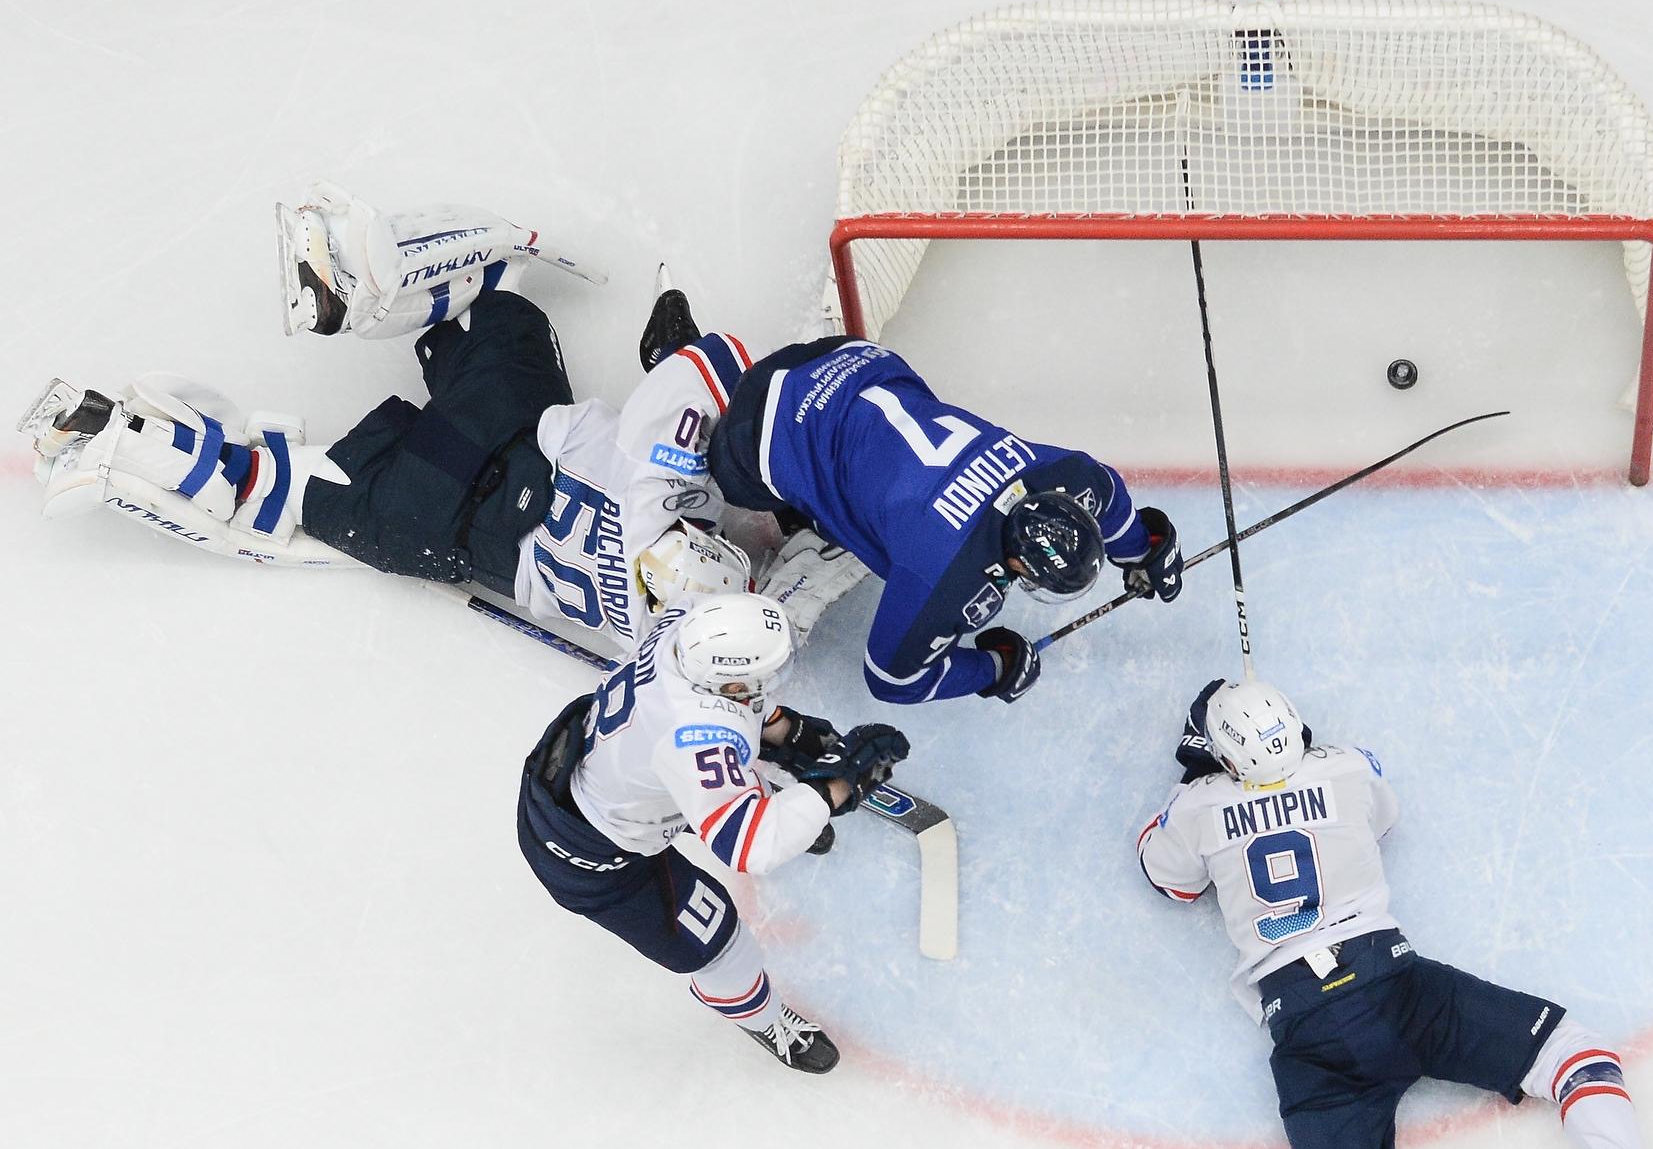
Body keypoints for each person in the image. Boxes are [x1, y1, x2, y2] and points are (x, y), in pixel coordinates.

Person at [17, 183, 864, 650]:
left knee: (498, 301)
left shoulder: (674, 483)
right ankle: (113, 438)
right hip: (438, 520)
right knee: (271, 489)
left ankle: (357, 282)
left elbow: (706, 381)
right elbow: (791, 608)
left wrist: (684, 357)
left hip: (505, 420)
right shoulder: (684, 651)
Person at [1137, 679, 1643, 1148]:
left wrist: (1199, 779)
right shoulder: (1348, 765)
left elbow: (1171, 882)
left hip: (1306, 1029)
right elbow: (1380, 823)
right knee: (1576, 1058)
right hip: (1396, 987)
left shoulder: (1196, 807)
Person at [519, 591, 908, 1073]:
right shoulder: (695, 740)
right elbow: (750, 846)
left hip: (611, 775)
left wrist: (791, 735)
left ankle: (767, 813)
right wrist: (835, 786)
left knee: (741, 791)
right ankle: (764, 1019)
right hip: (590, 855)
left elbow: (734, 706)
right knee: (720, 946)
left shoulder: (688, 622)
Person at [704, 333, 1186, 706]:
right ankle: (698, 386)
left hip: (850, 358)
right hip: (768, 423)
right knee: (729, 481)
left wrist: (1143, 547)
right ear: (1020, 562)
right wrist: (996, 668)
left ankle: (827, 514)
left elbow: (1105, 490)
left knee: (870, 490)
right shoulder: (949, 575)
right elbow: (893, 678)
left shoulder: (1063, 475)